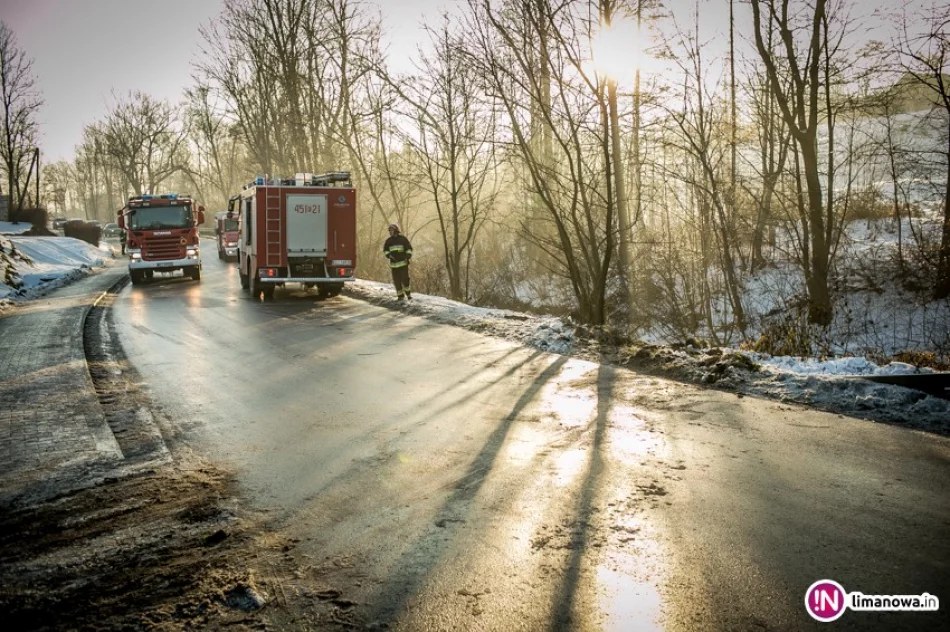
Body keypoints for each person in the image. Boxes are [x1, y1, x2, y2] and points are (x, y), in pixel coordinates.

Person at [383, 222, 413, 301]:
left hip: (403, 264)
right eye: (389, 231)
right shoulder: (388, 241)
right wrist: (389, 255)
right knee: (397, 281)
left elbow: (409, 249)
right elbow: (385, 250)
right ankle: (400, 296)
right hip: (394, 265)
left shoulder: (403, 239)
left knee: (405, 279)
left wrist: (408, 256)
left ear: (396, 231)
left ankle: (408, 294)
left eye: (391, 230)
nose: (390, 232)